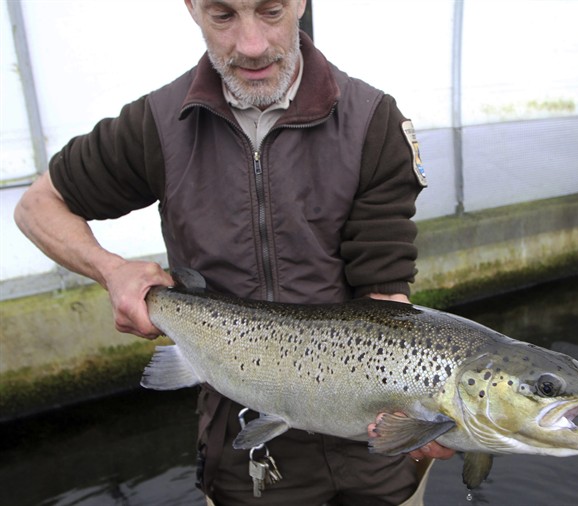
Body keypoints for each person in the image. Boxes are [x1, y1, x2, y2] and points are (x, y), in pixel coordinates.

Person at [14, 1, 455, 504]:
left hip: (376, 456)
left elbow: (385, 304)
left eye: (270, 11)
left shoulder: (374, 120)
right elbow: (36, 205)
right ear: (191, 7)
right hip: (245, 457)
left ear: (301, 3)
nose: (250, 44)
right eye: (223, 15)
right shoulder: (155, 123)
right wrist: (110, 269)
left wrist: (422, 412)